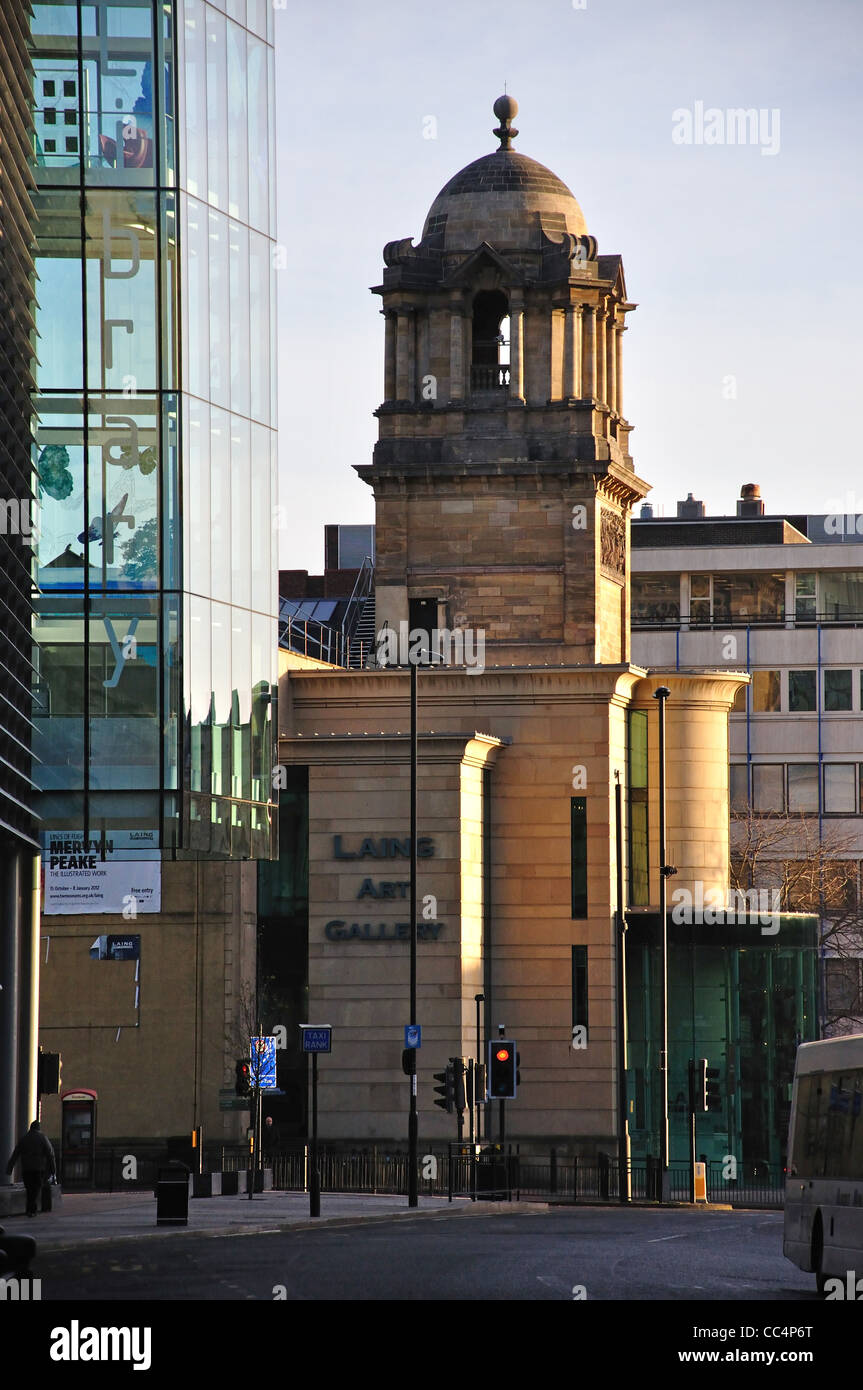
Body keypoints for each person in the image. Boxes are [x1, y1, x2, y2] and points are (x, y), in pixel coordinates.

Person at [6, 1120, 57, 1217]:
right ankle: (32, 1210)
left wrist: (9, 1168)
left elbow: (15, 1154)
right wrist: (53, 1170)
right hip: (39, 1168)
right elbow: (50, 1154)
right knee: (36, 1189)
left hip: (27, 1168)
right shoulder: (43, 1138)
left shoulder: (24, 1139)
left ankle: (29, 1209)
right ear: (38, 1128)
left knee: (29, 1189)